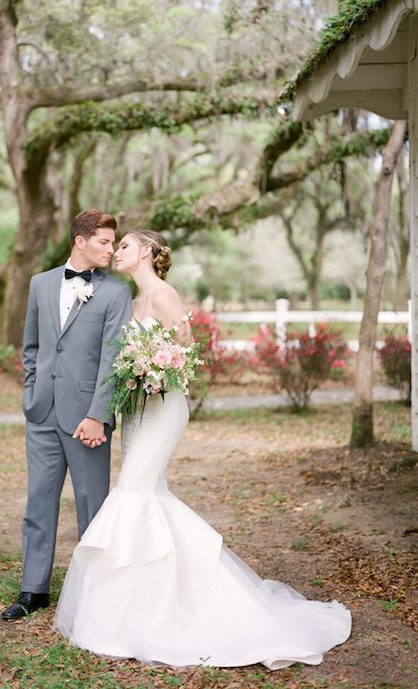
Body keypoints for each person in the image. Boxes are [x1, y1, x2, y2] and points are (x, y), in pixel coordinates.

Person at [53, 229, 351, 669]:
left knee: (133, 495)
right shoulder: (130, 303)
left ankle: (154, 611)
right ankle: (154, 600)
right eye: (115, 248)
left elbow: (186, 353)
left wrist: (151, 368)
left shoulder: (164, 296)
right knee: (147, 494)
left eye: (125, 246)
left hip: (164, 407)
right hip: (136, 409)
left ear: (148, 253)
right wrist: (131, 376)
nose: (117, 252)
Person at [1, 209, 132, 621]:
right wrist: (31, 393)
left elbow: (114, 359)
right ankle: (33, 590)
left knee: (93, 504)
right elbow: (33, 347)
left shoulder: (116, 292)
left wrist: (99, 415)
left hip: (86, 420)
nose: (111, 249)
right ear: (80, 240)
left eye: (114, 243)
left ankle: (95, 591)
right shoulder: (40, 284)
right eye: (104, 242)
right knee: (38, 501)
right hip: (41, 412)